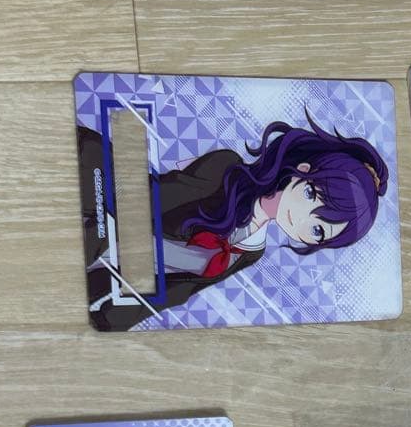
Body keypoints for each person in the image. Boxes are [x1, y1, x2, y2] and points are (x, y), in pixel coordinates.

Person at [78, 115, 389, 330]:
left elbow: (178, 290)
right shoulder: (227, 171)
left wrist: (110, 319)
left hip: (104, 280)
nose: (302, 219)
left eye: (318, 230)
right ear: (303, 170)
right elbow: (146, 200)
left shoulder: (253, 251)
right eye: (311, 195)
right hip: (95, 205)